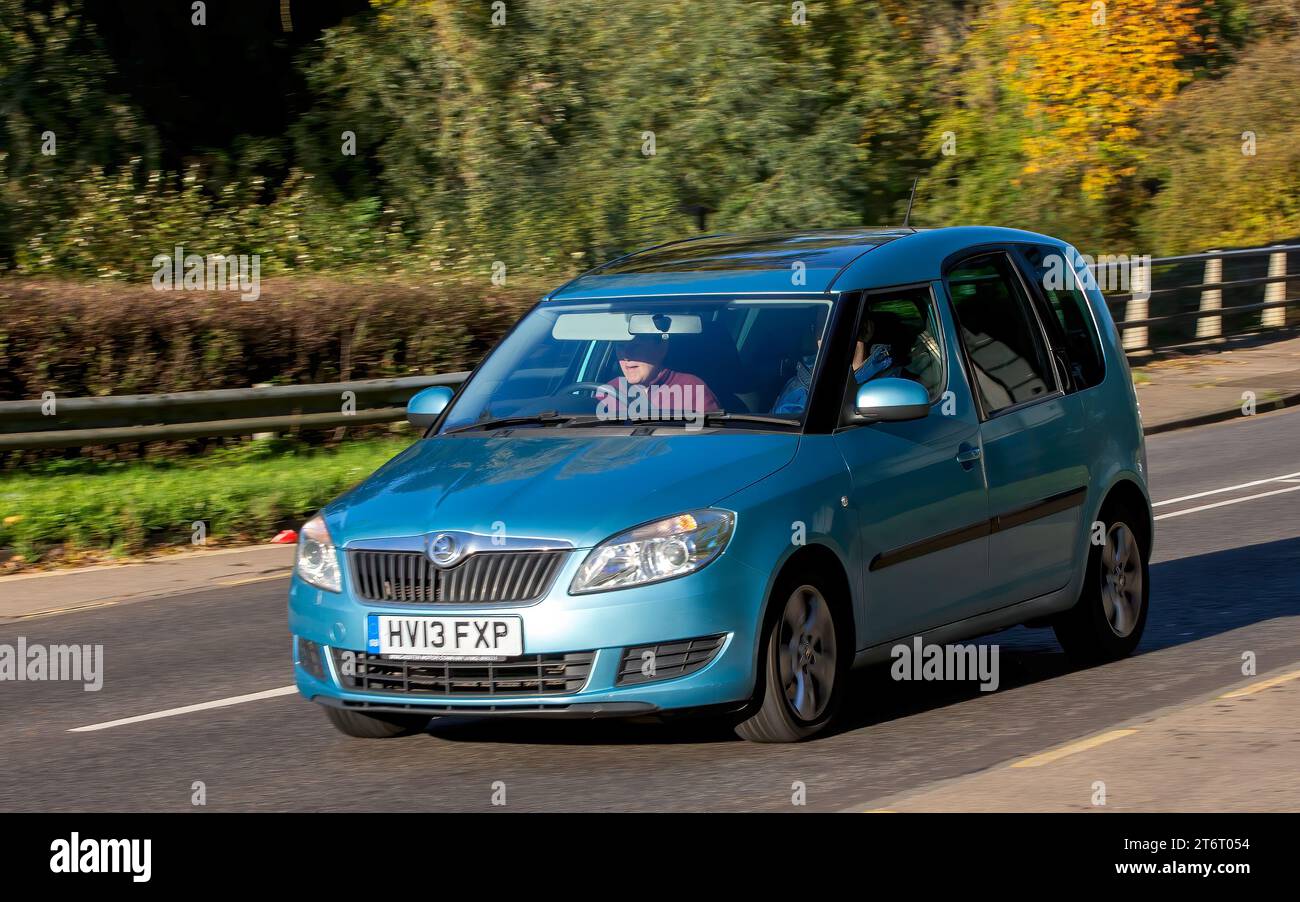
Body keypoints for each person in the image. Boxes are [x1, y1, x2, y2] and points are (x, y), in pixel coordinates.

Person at [771, 309, 897, 414]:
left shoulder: (894, 379)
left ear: (867, 329)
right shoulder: (799, 389)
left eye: (836, 326)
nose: (826, 337)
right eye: (820, 328)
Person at [598, 333, 718, 419]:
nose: (626, 355)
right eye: (620, 346)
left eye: (636, 346)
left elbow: (710, 443)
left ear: (662, 348)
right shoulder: (610, 390)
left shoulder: (692, 389)